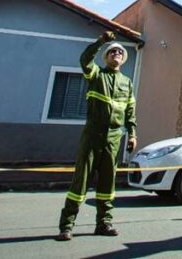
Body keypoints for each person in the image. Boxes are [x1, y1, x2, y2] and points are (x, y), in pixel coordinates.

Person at [57, 31, 136, 241]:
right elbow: (85, 60)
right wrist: (101, 41)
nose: (117, 53)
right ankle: (66, 226)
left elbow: (130, 111)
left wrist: (132, 134)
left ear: (123, 59)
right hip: (93, 135)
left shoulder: (127, 83)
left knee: (108, 184)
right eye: (112, 51)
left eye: (120, 52)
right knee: (80, 182)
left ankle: (104, 223)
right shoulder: (96, 75)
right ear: (106, 57)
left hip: (114, 138)